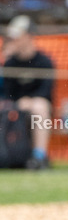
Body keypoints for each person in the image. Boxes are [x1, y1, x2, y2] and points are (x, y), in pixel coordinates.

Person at [1, 15, 54, 169]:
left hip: (36, 106)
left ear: (30, 36)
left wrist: (28, 101)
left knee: (40, 107)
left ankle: (39, 157)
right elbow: (7, 92)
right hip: (14, 106)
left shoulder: (44, 61)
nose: (13, 39)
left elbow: (46, 92)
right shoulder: (10, 62)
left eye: (18, 35)